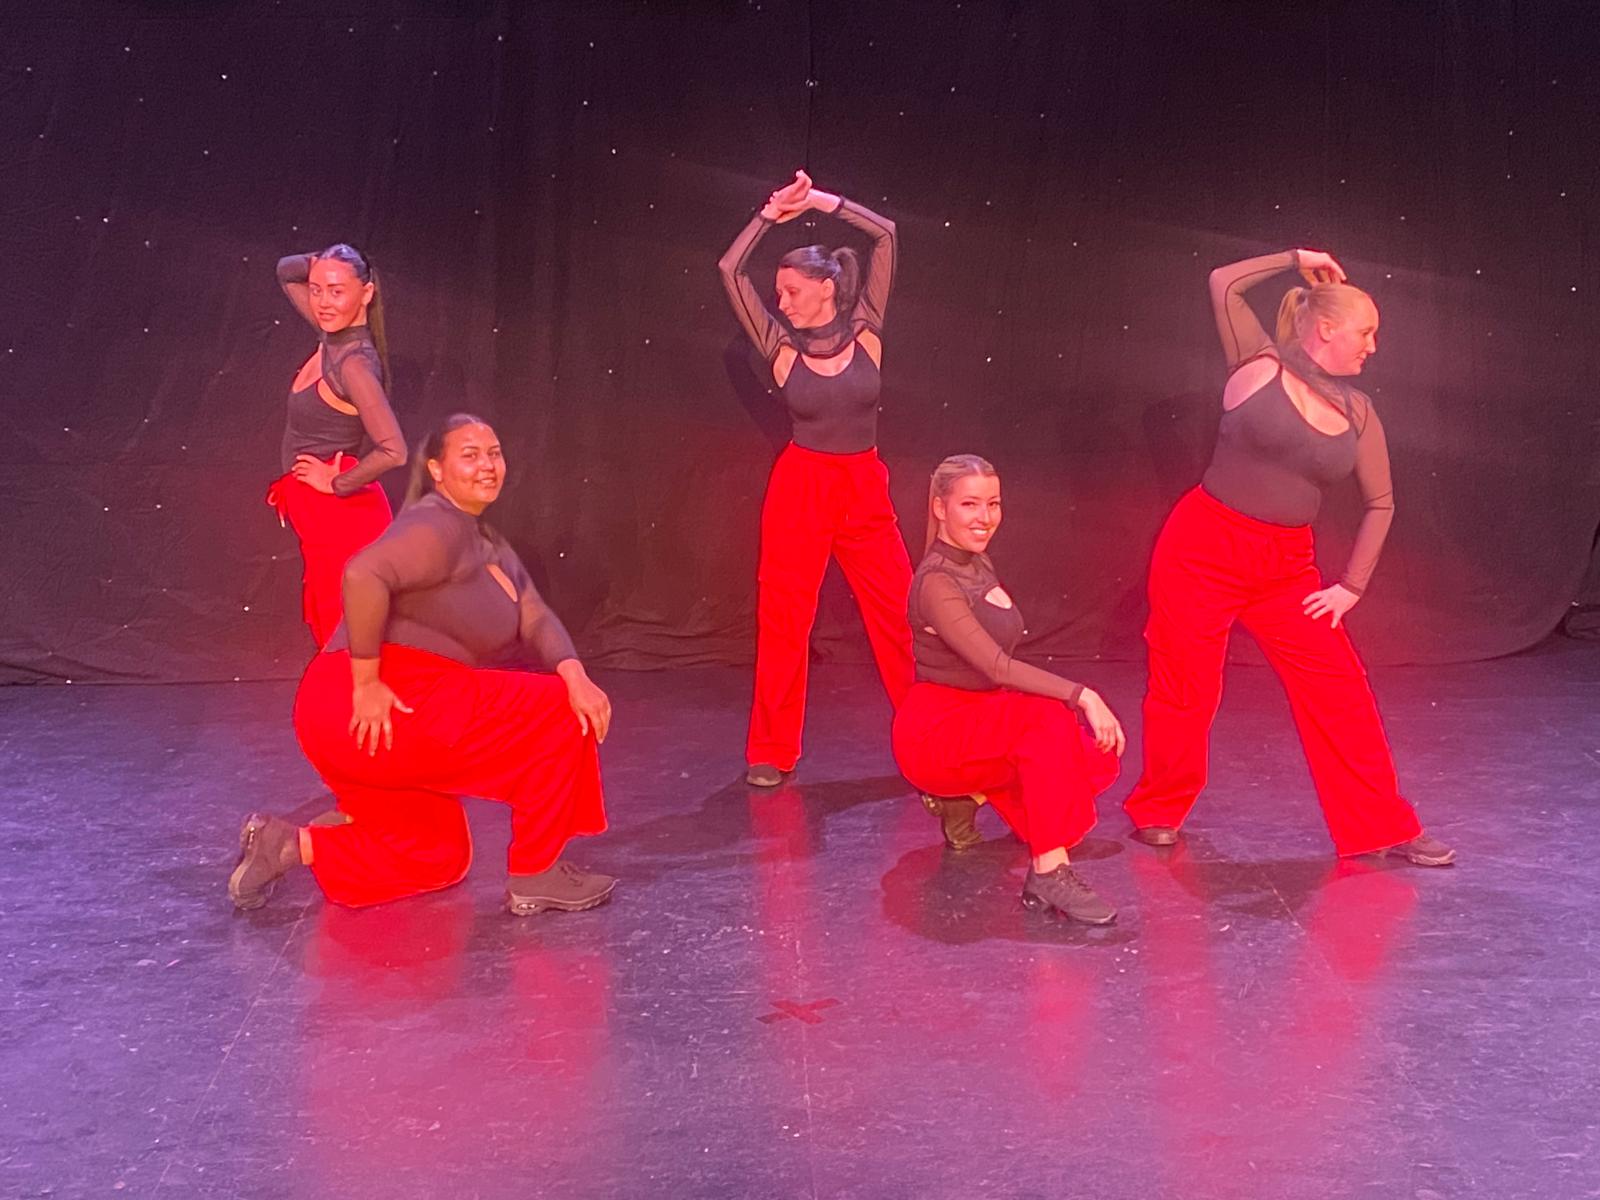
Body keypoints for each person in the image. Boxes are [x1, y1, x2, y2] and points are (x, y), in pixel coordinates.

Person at [1122, 248, 1454, 866]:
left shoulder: (1358, 411)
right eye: (1366, 332)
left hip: (1284, 570)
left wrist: (1351, 587)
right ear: (1326, 328)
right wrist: (1297, 257)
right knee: (1185, 690)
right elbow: (1223, 283)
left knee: (1341, 691)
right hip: (1203, 548)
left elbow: (1381, 503)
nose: (1373, 347)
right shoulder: (1257, 363)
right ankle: (1159, 809)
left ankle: (1380, 824)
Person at [230, 414, 616, 915]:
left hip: (347, 718)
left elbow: (535, 614)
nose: (487, 465)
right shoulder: (436, 524)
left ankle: (291, 845)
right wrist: (366, 683)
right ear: (437, 469)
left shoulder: (488, 545)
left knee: (438, 855)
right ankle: (536, 873)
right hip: (381, 698)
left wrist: (574, 671)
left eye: (494, 453)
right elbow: (364, 571)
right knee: (560, 713)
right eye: (470, 454)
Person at [717, 170, 915, 787]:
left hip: (863, 487)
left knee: (901, 616)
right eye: (779, 292)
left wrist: (822, 201)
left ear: (828, 286)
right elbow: (730, 271)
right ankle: (772, 750)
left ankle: (931, 735)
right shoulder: (779, 346)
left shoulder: (868, 330)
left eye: (794, 289)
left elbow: (885, 236)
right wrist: (769, 217)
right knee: (784, 619)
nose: (783, 300)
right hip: (801, 488)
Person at [892, 455, 1127, 924]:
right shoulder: (937, 582)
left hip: (980, 715)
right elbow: (996, 666)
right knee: (1047, 723)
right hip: (936, 730)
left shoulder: (977, 562)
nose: (985, 518)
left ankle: (970, 797)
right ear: (940, 507)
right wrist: (1082, 694)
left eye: (993, 504)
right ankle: (1049, 871)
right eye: (970, 505)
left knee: (1096, 759)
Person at [267, 243, 406, 646]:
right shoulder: (332, 335)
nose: (323, 303)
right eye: (316, 290)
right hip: (321, 515)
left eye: (337, 291)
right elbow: (283, 269)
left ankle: (359, 706)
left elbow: (393, 449)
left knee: (346, 627)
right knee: (340, 627)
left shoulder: (354, 364)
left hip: (340, 518)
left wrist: (336, 483)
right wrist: (324, 265)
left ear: (366, 293)